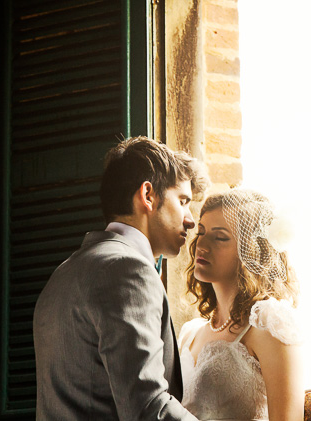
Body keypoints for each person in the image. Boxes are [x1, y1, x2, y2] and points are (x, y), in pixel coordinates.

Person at [33, 136, 208, 420]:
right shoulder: (129, 270)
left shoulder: (64, 272)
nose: (190, 219)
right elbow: (150, 407)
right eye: (183, 201)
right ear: (148, 195)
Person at [178, 188, 303, 421]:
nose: (201, 245)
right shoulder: (189, 334)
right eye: (201, 232)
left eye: (220, 237)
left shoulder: (270, 323)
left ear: (251, 251)